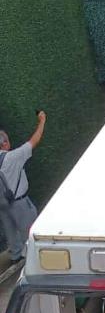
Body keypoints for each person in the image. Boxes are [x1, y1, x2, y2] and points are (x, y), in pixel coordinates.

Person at [0, 111, 46, 263]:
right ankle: (35, 259)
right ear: (5, 143)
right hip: (19, 202)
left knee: (10, 232)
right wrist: (42, 121)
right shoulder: (12, 158)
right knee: (31, 232)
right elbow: (34, 141)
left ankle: (16, 257)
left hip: (2, 204)